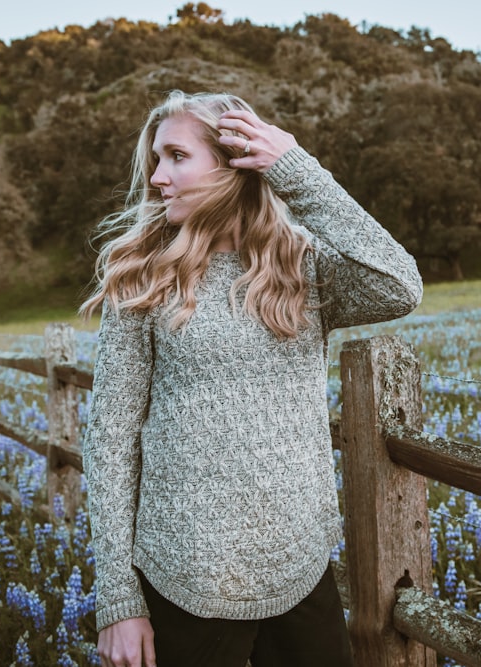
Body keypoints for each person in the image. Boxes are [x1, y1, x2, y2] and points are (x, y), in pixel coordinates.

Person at [80, 90, 422, 667]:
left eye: (176, 157)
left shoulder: (302, 268)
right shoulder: (141, 275)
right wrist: (119, 600)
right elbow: (110, 437)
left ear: (235, 163)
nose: (158, 177)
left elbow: (398, 285)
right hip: (183, 575)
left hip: (299, 568)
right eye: (155, 162)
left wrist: (293, 167)